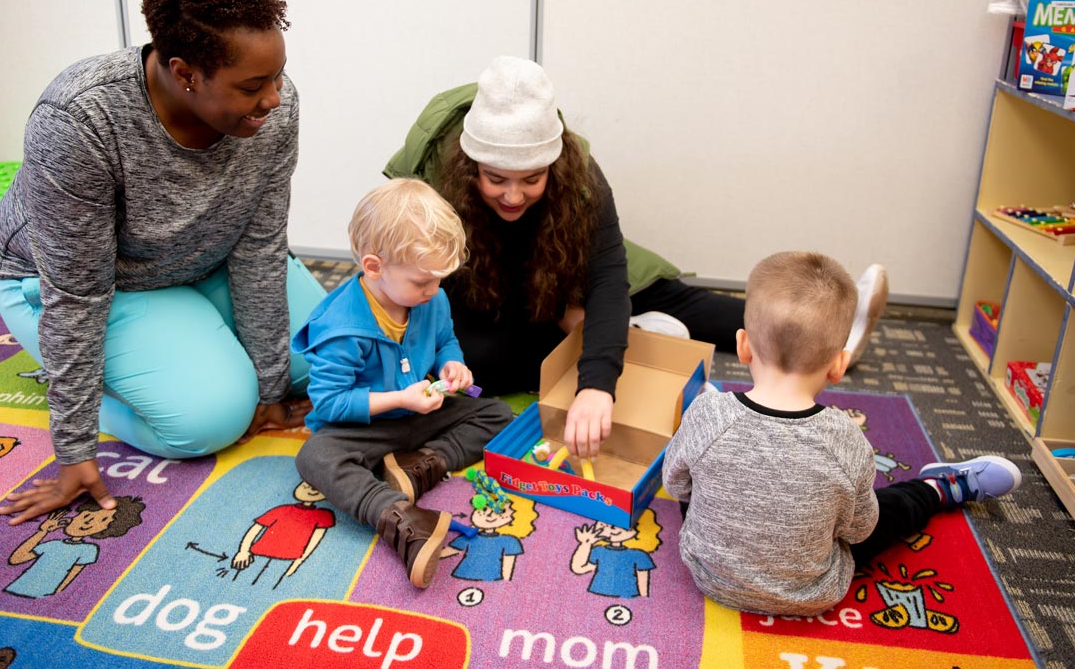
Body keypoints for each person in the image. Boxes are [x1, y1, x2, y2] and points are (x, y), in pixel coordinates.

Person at [384, 56, 889, 459]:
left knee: (654, 292)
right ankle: (629, 332)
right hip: (484, 293)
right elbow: (417, 287)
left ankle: (826, 329)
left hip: (561, 274)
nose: (513, 196)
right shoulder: (435, 181)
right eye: (496, 180)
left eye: (531, 180)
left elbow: (607, 276)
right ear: (470, 166)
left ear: (554, 167)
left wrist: (597, 386)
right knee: (477, 365)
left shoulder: (582, 176)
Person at [0, 0, 326, 527]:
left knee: (331, 358)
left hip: (204, 261)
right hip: (82, 286)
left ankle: (216, 356)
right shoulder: (79, 119)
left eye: (277, 75)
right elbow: (77, 293)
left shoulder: (272, 110)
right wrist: (73, 450)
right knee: (210, 418)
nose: (275, 97)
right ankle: (88, 384)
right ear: (185, 72)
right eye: (252, 85)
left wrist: (271, 391)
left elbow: (261, 246)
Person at [662, 250, 1021, 616]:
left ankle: (713, 458)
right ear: (839, 365)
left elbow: (676, 485)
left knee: (698, 461)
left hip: (711, 577)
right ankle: (940, 489)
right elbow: (860, 529)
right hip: (809, 592)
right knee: (889, 511)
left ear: (742, 346)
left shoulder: (707, 414)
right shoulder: (845, 439)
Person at [291, 178, 515, 589]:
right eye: (421, 282)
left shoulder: (432, 299)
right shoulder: (342, 330)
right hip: (364, 427)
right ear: (374, 267)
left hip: (422, 413)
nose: (433, 291)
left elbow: (445, 340)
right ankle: (401, 516)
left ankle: (419, 466)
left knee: (499, 413)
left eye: (438, 280)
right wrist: (399, 398)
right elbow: (327, 405)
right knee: (315, 457)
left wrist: (453, 366)